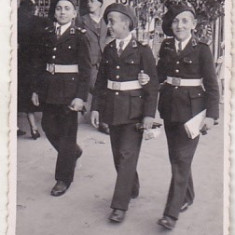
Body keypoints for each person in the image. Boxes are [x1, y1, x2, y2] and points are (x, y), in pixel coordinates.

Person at [91, 3, 158, 223]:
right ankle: (132, 184)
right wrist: (96, 108)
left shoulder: (143, 50)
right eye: (108, 21)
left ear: (126, 23)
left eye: (112, 21)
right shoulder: (109, 49)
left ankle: (119, 206)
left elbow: (152, 85)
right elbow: (101, 82)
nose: (108, 25)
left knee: (128, 154)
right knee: (119, 156)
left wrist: (149, 115)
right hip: (112, 109)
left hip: (134, 111)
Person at [157, 2, 219, 229]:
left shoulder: (202, 49)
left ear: (193, 24)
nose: (179, 25)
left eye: (184, 20)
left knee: (182, 159)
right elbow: (159, 75)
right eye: (175, 21)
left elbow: (212, 86)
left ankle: (170, 214)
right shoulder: (165, 46)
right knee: (177, 157)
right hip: (169, 108)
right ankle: (188, 195)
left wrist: (211, 116)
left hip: (193, 112)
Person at [32, 0, 91, 196]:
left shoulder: (79, 36)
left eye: (67, 8)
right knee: (48, 126)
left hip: (69, 91)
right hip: (50, 90)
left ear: (75, 13)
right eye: (59, 8)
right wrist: (36, 90)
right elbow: (40, 65)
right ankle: (73, 152)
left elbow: (85, 69)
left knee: (67, 134)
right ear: (54, 11)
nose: (62, 12)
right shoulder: (47, 33)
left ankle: (63, 178)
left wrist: (81, 97)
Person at [78, 0, 110, 134]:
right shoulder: (81, 20)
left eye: (93, 1)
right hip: (88, 62)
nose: (89, 4)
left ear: (100, 3)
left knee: (104, 88)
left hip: (102, 61)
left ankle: (103, 118)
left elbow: (106, 38)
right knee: (96, 89)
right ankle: (102, 121)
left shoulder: (105, 21)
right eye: (88, 1)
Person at [18, 0, 47, 139]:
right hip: (38, 62)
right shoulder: (40, 22)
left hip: (22, 63)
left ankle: (33, 128)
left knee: (25, 96)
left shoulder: (18, 21)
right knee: (38, 93)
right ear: (34, 9)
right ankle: (43, 125)